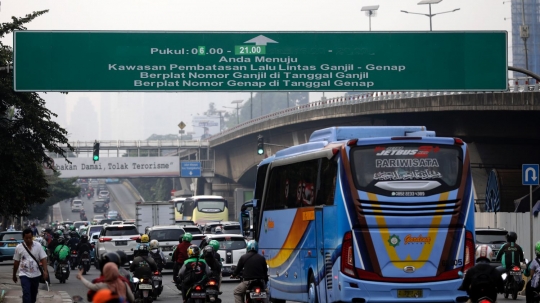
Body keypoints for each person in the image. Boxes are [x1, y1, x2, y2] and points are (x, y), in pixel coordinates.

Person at [12, 228, 49, 303]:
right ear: (23, 238)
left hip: (36, 274)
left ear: (32, 237)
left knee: (33, 294)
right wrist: (14, 275)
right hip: (24, 274)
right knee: (26, 292)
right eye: (26, 238)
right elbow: (16, 262)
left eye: (30, 238)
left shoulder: (38, 246)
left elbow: (43, 259)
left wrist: (45, 271)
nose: (28, 240)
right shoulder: (19, 247)